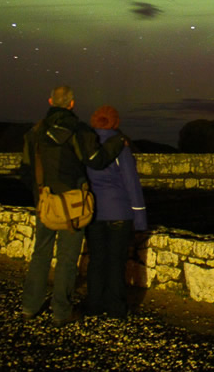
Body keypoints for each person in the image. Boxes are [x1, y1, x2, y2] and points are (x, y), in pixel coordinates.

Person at [20, 85, 124, 326]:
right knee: (67, 258)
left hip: (45, 202)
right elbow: (96, 161)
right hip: (73, 205)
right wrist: (116, 143)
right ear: (72, 104)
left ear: (50, 101)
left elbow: (25, 170)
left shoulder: (35, 131)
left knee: (40, 254)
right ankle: (60, 311)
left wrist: (40, 195)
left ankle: (30, 306)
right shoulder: (79, 130)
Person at [84, 105, 147, 319]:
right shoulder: (121, 147)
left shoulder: (86, 146)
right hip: (119, 213)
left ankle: (94, 304)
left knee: (97, 260)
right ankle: (116, 308)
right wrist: (140, 220)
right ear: (115, 122)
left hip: (94, 213)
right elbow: (132, 184)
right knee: (116, 261)